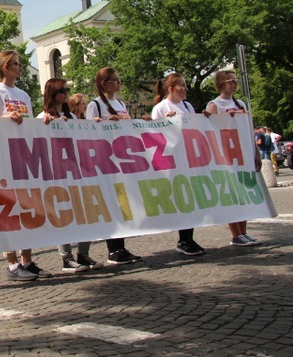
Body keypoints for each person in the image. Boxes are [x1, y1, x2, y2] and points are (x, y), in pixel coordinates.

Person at [0, 50, 46, 281]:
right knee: (9, 208)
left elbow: (28, 123)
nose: (20, 67)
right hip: (3, 157)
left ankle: (27, 260)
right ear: (5, 68)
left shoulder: (23, 94)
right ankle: (11, 263)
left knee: (28, 204)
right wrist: (6, 119)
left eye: (20, 63)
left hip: (23, 155)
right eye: (16, 64)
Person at [38, 78, 103, 272]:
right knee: (62, 214)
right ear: (52, 94)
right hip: (56, 172)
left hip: (76, 170)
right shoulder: (43, 116)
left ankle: (83, 254)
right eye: (61, 91)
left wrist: (93, 125)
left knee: (85, 211)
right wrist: (50, 125)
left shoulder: (72, 118)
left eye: (67, 90)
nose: (66, 93)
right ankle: (66, 257)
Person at [86, 67, 143, 265]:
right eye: (115, 80)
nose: (119, 84)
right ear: (104, 83)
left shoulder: (119, 103)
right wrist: (104, 122)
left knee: (123, 204)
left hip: (121, 158)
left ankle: (121, 246)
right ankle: (113, 249)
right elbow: (87, 130)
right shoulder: (95, 104)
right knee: (112, 203)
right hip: (106, 159)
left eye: (120, 80)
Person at [150, 72, 205, 256]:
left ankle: (187, 238)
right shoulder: (160, 108)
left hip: (188, 158)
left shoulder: (188, 106)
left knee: (190, 198)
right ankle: (183, 239)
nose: (186, 89)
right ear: (171, 89)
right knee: (180, 197)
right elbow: (153, 134)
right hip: (172, 160)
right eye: (182, 85)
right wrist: (166, 122)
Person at [206, 70, 262, 246]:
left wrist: (256, 152)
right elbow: (209, 128)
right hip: (226, 154)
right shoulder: (215, 104)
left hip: (242, 153)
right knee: (232, 194)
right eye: (232, 81)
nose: (235, 84)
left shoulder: (240, 104)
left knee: (243, 193)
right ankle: (235, 234)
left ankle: (243, 231)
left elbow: (247, 128)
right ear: (222, 83)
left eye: (236, 81)